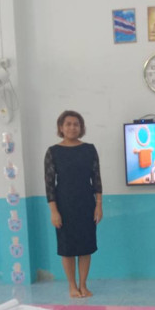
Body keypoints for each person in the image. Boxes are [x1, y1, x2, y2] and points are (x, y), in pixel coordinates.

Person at [44, 110, 103, 298]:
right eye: (68, 124)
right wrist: (54, 211)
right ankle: (72, 286)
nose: (72, 127)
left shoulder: (89, 150)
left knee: (86, 247)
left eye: (76, 124)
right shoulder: (53, 152)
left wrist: (98, 205)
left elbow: (97, 179)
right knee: (67, 248)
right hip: (64, 205)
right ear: (61, 127)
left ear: (81, 127)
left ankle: (83, 285)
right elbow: (49, 184)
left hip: (86, 204)